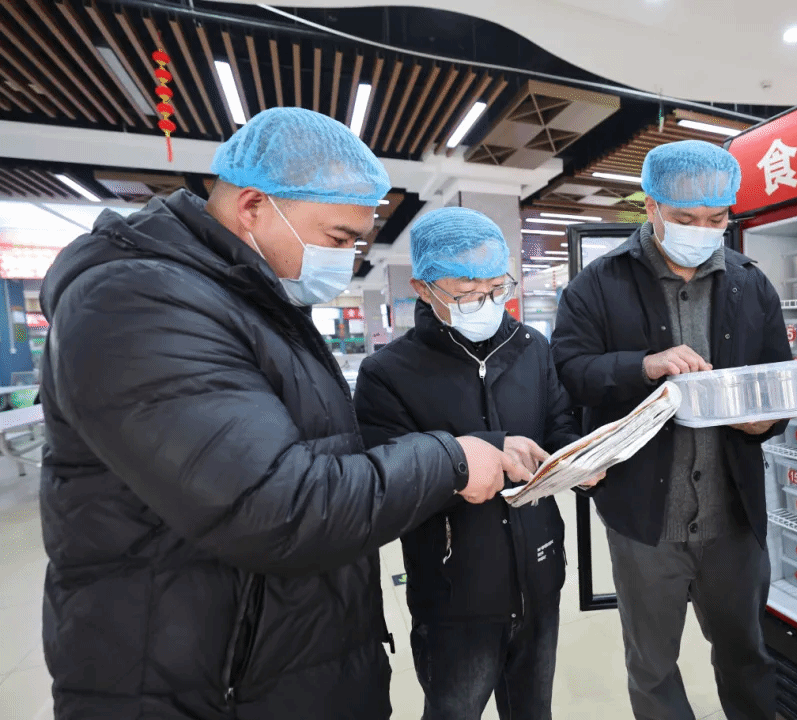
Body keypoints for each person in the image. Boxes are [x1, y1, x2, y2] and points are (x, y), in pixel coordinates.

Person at [37, 108, 529, 720]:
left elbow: (317, 457)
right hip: (193, 681)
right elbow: (275, 504)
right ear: (253, 207)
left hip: (281, 657)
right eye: (338, 238)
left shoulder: (253, 304)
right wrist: (449, 459)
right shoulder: (139, 303)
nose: (347, 258)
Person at [551, 139, 792, 720]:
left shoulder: (750, 284)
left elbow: (776, 377)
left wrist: (767, 420)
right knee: (653, 664)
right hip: (644, 515)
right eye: (685, 217)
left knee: (747, 653)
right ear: (651, 207)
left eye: (716, 219)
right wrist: (643, 365)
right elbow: (570, 372)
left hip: (732, 514)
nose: (702, 231)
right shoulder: (598, 284)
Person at [354, 206, 596, 720]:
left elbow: (557, 425)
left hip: (539, 572)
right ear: (423, 289)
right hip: (453, 591)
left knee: (533, 709)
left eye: (496, 286)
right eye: (466, 290)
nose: (485, 301)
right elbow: (391, 480)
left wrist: (581, 459)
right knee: (454, 709)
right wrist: (487, 447)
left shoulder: (531, 347)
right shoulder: (388, 373)